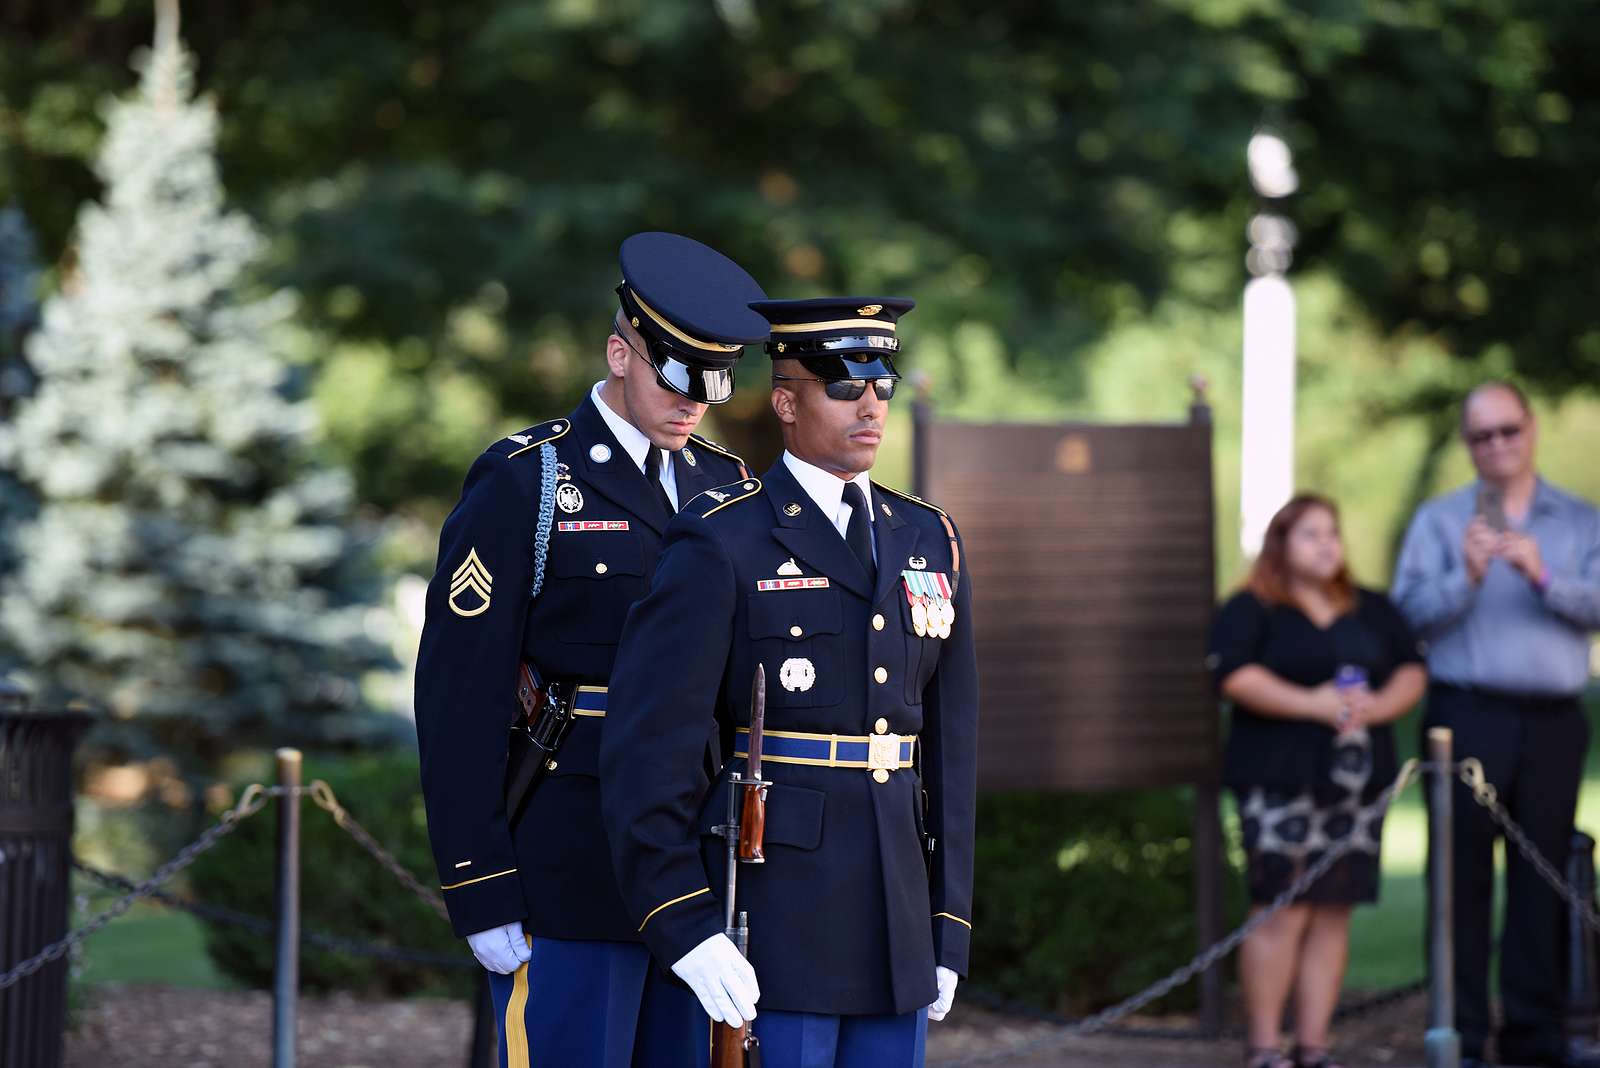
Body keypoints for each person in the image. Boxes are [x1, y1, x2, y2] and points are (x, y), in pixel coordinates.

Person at [413, 231, 769, 1067]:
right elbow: (459, 693)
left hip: (689, 859)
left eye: (713, 384)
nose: (695, 404)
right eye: (675, 378)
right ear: (620, 352)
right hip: (566, 861)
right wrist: (478, 881)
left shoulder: (729, 488)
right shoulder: (527, 480)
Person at [599, 297, 978, 1067]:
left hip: (897, 914)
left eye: (883, 388)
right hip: (778, 915)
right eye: (844, 388)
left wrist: (949, 922)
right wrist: (682, 921)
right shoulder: (722, 536)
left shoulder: (926, 535)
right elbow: (651, 750)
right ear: (785, 402)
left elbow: (952, 746)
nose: (870, 406)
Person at [1392, 381, 1600, 1068]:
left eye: (1508, 430)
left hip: (1552, 722)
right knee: (1459, 884)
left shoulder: (1576, 519)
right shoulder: (1437, 521)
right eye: (1483, 435)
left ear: (1531, 428)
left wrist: (1544, 577)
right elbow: (1403, 619)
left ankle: (1534, 1035)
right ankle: (1462, 1034)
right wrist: (1467, 577)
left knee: (1541, 878)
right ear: (1467, 443)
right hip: (1465, 714)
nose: (1498, 445)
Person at [1209, 494, 1427, 1068]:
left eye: (1332, 532)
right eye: (1310, 533)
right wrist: (1312, 703)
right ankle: (1263, 1047)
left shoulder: (1371, 608)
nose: (1327, 543)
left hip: (1355, 785)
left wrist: (1377, 707)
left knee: (1334, 908)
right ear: (1281, 543)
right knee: (1282, 909)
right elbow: (1233, 675)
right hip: (1278, 782)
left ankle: (1313, 1047)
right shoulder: (1252, 609)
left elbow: (1410, 668)